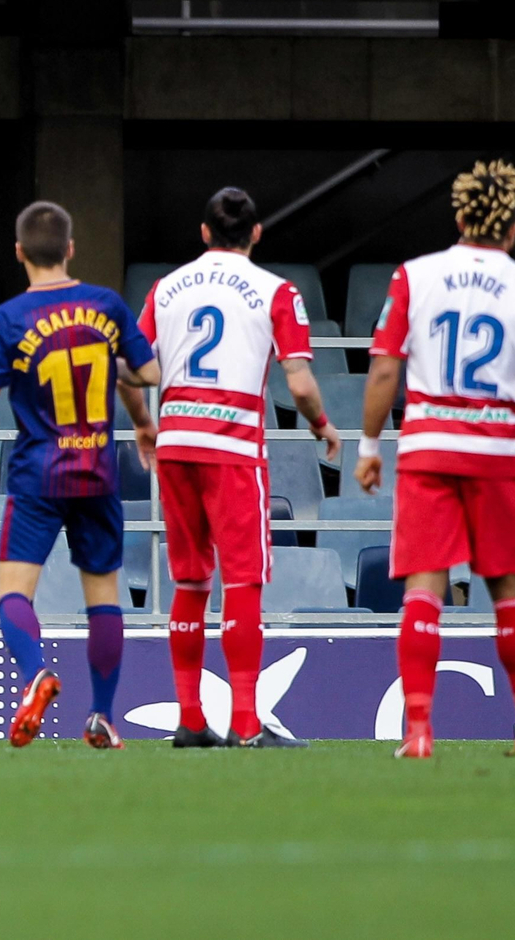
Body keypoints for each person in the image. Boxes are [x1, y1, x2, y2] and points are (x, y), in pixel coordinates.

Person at [357, 159, 515, 758]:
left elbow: (384, 369)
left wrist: (370, 445)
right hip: (495, 452)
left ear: (459, 219)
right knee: (510, 593)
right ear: (511, 232)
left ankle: (419, 733)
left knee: (424, 590)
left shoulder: (415, 276)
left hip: (429, 448)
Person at [0, 200, 160, 750]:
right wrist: (137, 410)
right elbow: (147, 371)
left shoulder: (8, 319)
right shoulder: (104, 305)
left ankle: (35, 676)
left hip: (38, 474)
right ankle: (101, 715)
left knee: (12, 591)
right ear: (71, 249)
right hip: (98, 471)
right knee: (103, 597)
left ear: (19, 254)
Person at [137, 188, 341, 749]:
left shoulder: (166, 288)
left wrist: (142, 424)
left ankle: (190, 718)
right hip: (232, 447)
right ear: (256, 234)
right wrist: (322, 423)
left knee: (190, 578)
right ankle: (247, 724)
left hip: (177, 443)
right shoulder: (277, 291)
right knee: (244, 578)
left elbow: (132, 365)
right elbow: (298, 381)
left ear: (203, 233)